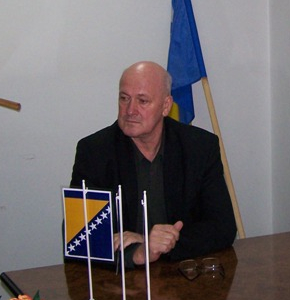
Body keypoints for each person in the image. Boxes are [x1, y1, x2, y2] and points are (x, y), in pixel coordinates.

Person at [70, 61, 237, 267]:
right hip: (122, 278)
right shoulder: (94, 152)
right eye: (124, 98)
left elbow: (223, 227)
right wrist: (137, 253)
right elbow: (82, 238)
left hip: (183, 272)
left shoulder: (199, 147)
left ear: (166, 106)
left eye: (142, 101)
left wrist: (155, 243)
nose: (130, 110)